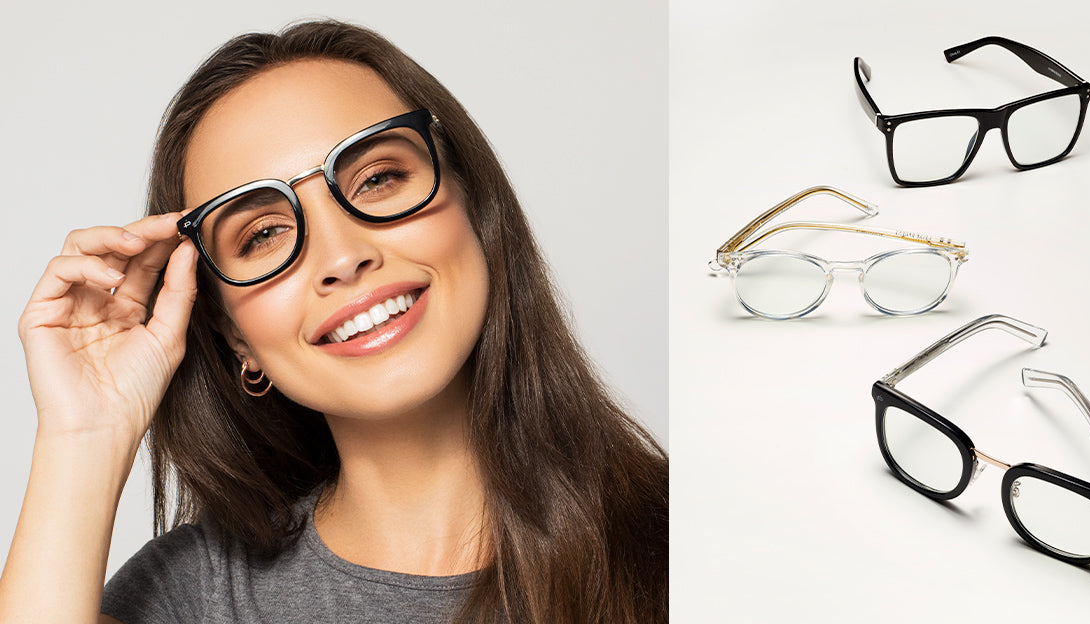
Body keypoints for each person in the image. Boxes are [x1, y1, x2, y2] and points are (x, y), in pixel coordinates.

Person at [0, 20, 667, 623]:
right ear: (236, 337)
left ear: (475, 210)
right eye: (262, 234)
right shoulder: (196, 596)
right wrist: (85, 431)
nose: (344, 257)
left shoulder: (693, 534)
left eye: (378, 179)